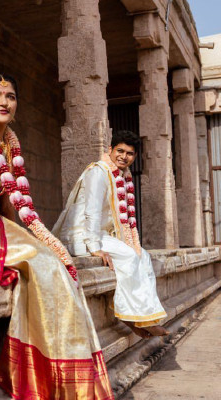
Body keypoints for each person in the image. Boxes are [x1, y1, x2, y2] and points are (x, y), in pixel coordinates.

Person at [0, 73, 114, 399]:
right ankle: (44, 375)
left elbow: (11, 200)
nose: (4, 102)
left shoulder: (11, 141)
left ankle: (63, 369)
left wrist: (31, 236)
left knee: (56, 261)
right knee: (44, 265)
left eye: (10, 96)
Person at [52, 130, 169, 339]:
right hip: (80, 234)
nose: (124, 157)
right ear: (110, 150)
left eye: (130, 154)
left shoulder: (124, 176)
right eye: (120, 151)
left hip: (102, 234)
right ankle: (130, 316)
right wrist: (94, 247)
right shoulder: (99, 171)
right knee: (130, 256)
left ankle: (144, 317)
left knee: (143, 256)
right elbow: (92, 210)